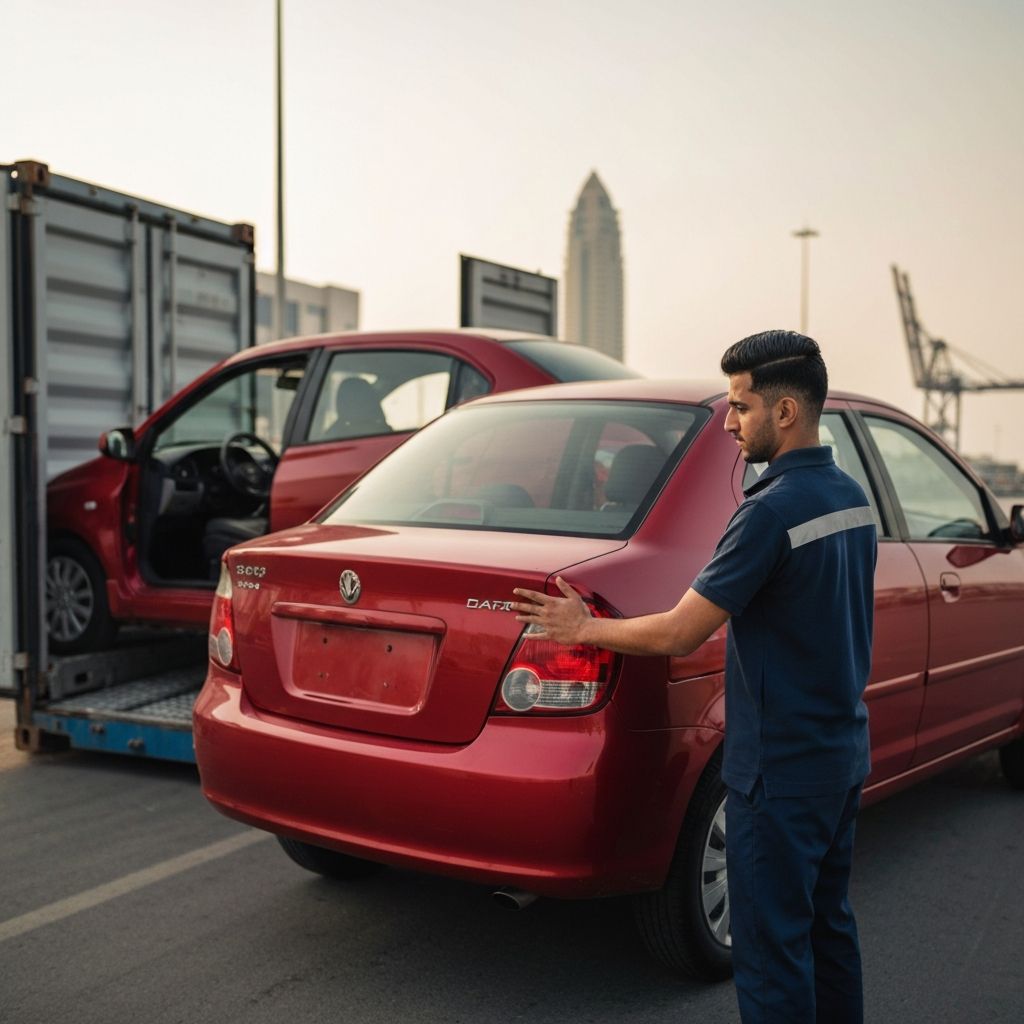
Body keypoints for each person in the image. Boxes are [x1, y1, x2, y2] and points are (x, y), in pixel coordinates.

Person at [512, 330, 876, 1024]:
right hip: (839, 757)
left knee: (771, 955)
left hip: (779, 774)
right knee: (828, 928)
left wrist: (580, 628)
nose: (732, 423)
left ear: (788, 412)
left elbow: (682, 630)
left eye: (742, 408)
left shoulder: (767, 513)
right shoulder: (851, 497)